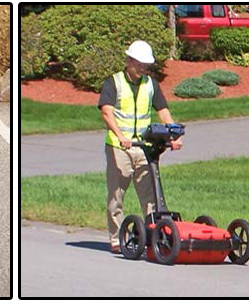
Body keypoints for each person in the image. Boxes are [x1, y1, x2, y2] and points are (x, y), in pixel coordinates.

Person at [98, 40, 183, 254]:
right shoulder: (113, 82)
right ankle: (117, 239)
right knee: (117, 194)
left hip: (144, 146)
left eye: (146, 65)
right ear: (129, 61)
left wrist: (173, 134)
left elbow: (162, 111)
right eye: (140, 64)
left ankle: (154, 236)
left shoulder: (151, 84)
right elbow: (106, 112)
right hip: (119, 147)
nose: (144, 68)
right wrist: (120, 136)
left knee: (150, 194)